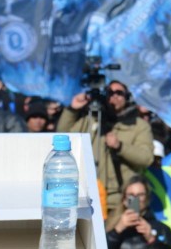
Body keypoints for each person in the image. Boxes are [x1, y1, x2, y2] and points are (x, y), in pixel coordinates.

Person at [57, 80, 154, 222]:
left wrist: (121, 147)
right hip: (91, 196)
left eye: (119, 93)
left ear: (127, 97)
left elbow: (146, 158)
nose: (114, 96)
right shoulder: (91, 120)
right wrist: (72, 110)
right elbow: (62, 137)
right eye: (110, 93)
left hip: (124, 198)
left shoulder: (139, 125)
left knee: (127, 236)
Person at [106, 175, 171, 249]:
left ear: (147, 198)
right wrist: (117, 230)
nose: (136, 199)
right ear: (124, 199)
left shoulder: (162, 229)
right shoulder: (109, 224)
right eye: (131, 195)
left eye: (140, 195)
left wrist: (152, 239)